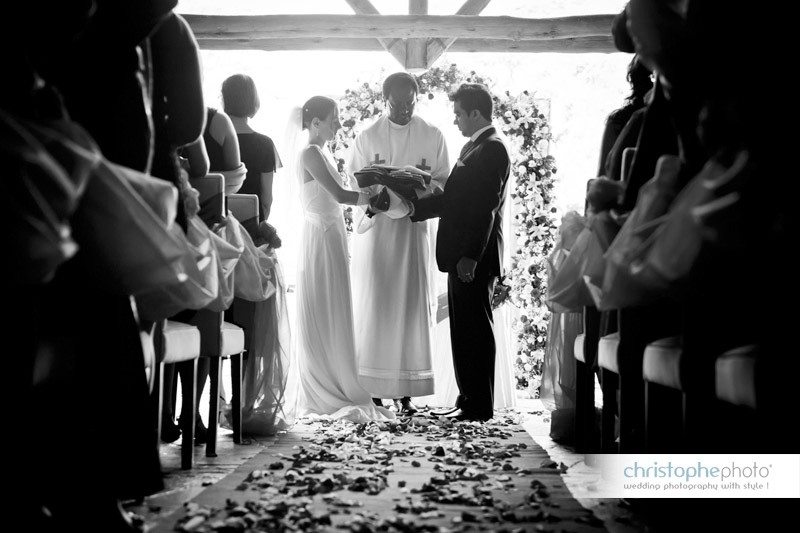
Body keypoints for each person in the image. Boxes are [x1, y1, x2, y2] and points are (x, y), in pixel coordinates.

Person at [348, 72, 450, 414]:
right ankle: (374, 389)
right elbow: (356, 184)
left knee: (409, 308)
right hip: (379, 238)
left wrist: (420, 185)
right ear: (384, 100)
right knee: (378, 306)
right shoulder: (367, 136)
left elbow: (443, 182)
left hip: (413, 233)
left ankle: (406, 392)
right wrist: (372, 199)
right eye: (397, 103)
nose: (405, 109)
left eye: (410, 102)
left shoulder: (432, 135)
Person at [408, 83, 511, 422]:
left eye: (458, 114)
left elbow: (486, 208)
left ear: (475, 114)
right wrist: (413, 206)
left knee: (476, 329)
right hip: (460, 255)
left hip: (473, 257)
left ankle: (480, 405)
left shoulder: (493, 149)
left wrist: (470, 255)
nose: (455, 121)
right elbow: (455, 199)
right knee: (463, 329)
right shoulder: (474, 147)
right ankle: (468, 399)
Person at [288, 95, 394, 422]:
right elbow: (339, 195)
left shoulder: (322, 152)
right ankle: (325, 383)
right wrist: (375, 196)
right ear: (315, 122)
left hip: (332, 235)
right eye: (332, 118)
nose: (338, 123)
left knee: (335, 306)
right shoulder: (309, 153)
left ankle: (337, 374)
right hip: (320, 237)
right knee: (324, 306)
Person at [222, 74, 282, 221]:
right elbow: (267, 199)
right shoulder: (265, 143)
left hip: (216, 222)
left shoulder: (209, 140)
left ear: (225, 100)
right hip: (251, 221)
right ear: (253, 101)